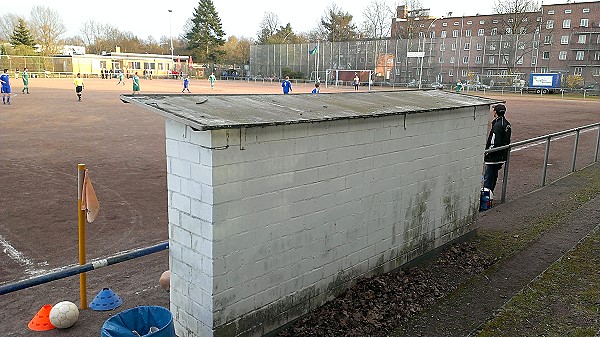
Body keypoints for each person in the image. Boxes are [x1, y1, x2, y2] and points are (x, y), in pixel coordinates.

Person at [484, 104, 512, 192]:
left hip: (494, 156)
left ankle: (486, 198)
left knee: (488, 178)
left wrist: (487, 152)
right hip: (502, 155)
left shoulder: (497, 125)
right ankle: (490, 195)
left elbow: (494, 141)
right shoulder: (506, 123)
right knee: (493, 177)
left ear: (496, 112)